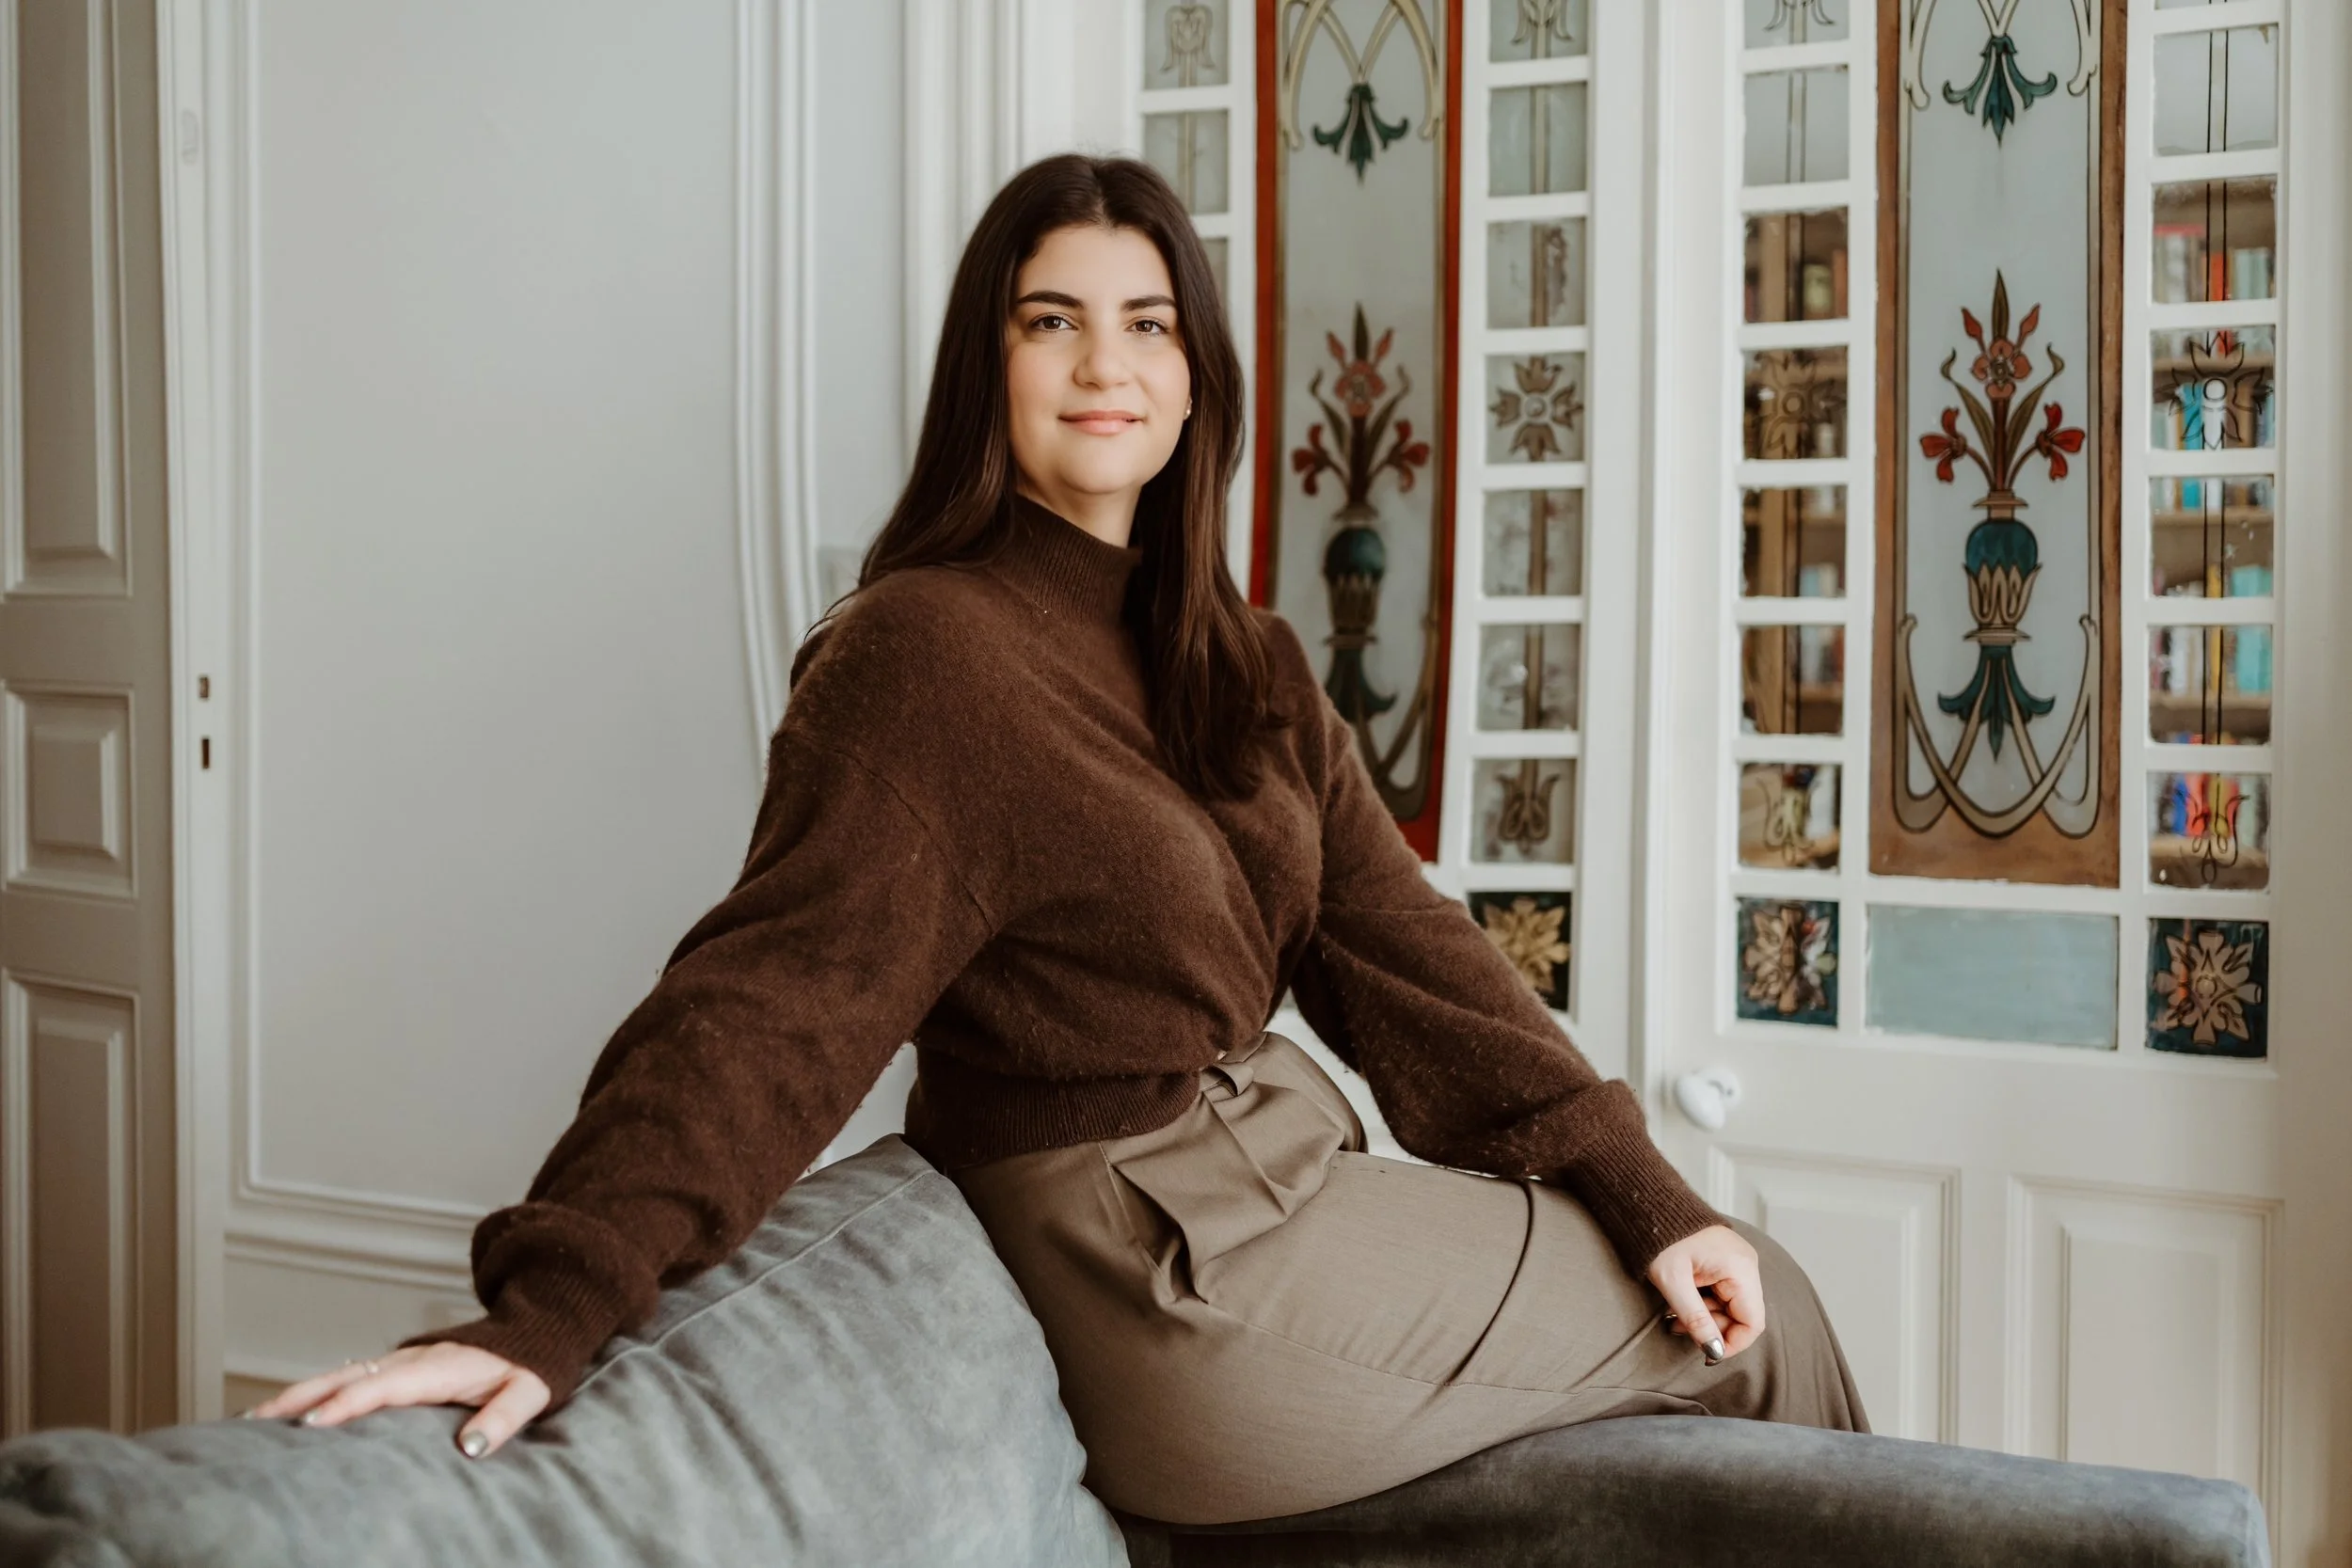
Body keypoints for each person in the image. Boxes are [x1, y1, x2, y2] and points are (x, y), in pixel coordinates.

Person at [246, 152, 1866, 1525]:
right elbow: (766, 1002)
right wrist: (553, 1304)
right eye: (1053, 322)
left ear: (1195, 375)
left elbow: (1415, 961)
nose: (1107, 364)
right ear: (990, 367)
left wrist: (1646, 1190)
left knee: (1719, 1277)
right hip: (1156, 1257)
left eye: (1148, 325)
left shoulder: (1245, 661)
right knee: (1763, 1321)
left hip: (1279, 1181)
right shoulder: (925, 656)